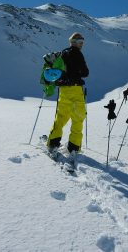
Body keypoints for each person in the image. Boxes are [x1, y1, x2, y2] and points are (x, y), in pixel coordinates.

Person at [47, 32, 89, 160]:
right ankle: (74, 148)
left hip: (63, 90)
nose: (81, 45)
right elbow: (85, 72)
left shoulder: (62, 54)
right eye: (80, 42)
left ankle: (53, 143)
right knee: (77, 119)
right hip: (76, 90)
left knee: (60, 118)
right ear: (74, 42)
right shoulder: (77, 53)